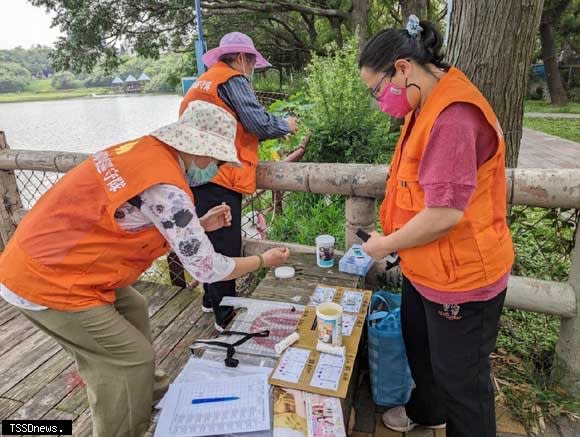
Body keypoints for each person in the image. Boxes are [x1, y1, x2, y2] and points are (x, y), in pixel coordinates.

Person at [0, 100, 290, 437]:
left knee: (134, 306)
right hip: (46, 277)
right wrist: (262, 261)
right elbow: (208, 268)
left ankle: (150, 395)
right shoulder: (167, 187)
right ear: (196, 150)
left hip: (56, 256)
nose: (218, 167)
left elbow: (138, 215)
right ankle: (123, 427)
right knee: (130, 359)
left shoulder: (143, 151)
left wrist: (199, 224)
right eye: (218, 159)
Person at [358, 16, 514, 437]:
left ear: (403, 68)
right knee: (423, 351)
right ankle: (427, 412)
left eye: (377, 90)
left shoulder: (454, 116)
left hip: (462, 277)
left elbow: (445, 213)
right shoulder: (425, 100)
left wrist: (384, 242)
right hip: (425, 267)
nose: (379, 102)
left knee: (463, 384)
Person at [179, 32, 299, 331]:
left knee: (206, 240)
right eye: (253, 63)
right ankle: (226, 317)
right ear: (243, 58)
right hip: (221, 175)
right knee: (225, 247)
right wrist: (286, 125)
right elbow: (256, 121)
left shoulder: (203, 82)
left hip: (194, 173)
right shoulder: (233, 80)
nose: (252, 70)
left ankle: (210, 300)